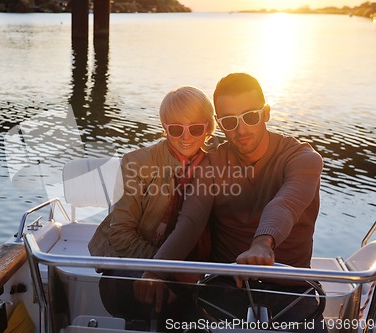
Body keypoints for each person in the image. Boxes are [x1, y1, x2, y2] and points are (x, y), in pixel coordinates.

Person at [136, 73, 325, 332]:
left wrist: (262, 244)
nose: (241, 129)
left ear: (266, 113)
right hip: (225, 286)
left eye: (250, 116)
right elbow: (190, 223)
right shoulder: (211, 163)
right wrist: (155, 272)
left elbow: (285, 203)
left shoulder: (302, 158)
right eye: (229, 121)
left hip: (291, 289)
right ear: (219, 123)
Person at [88, 85, 216, 327]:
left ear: (208, 128)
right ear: (164, 127)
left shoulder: (216, 162)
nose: (186, 136)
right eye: (176, 128)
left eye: (196, 128)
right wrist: (170, 269)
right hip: (135, 261)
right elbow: (121, 234)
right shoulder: (138, 162)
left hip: (195, 268)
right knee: (154, 294)